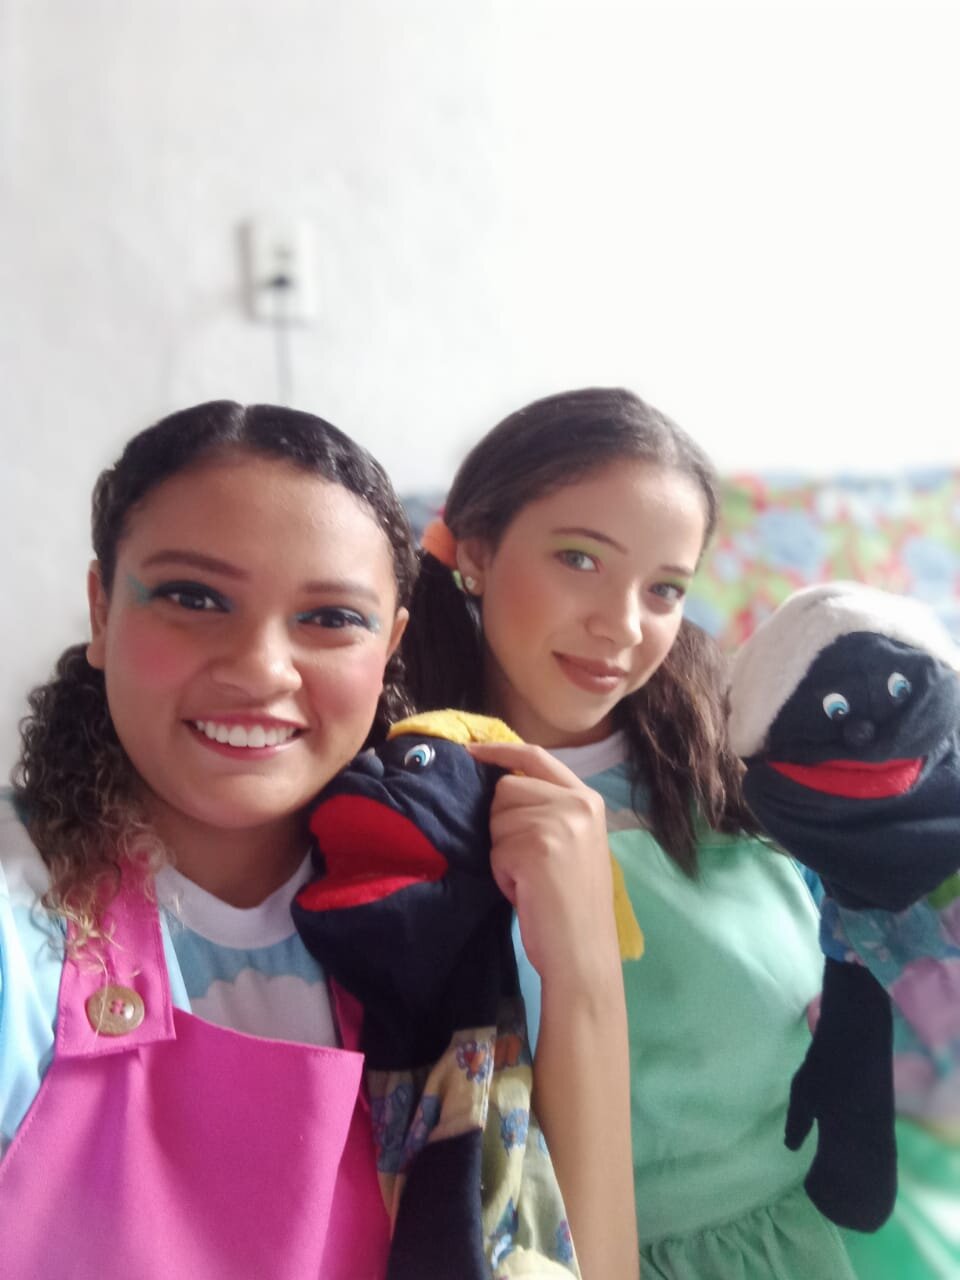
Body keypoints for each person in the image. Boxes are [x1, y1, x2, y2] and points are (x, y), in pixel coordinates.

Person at [402, 386, 859, 1280]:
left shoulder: (743, 771)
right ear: (478, 552)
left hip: (791, 1249)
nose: (622, 625)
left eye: (665, 589)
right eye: (579, 559)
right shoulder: (405, 792)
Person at [0, 401, 416, 1279]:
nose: (260, 667)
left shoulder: (442, 925)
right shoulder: (16, 926)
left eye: (332, 617)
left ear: (390, 648)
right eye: (194, 598)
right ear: (102, 610)